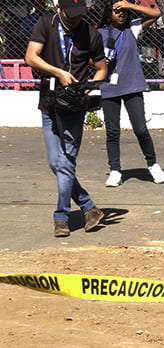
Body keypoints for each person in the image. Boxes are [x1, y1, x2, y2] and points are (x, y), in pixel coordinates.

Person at [25, 0, 107, 238]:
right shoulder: (45, 24)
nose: (75, 19)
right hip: (49, 103)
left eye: (79, 15)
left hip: (74, 107)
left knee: (67, 162)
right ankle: (89, 206)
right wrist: (58, 72)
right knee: (56, 163)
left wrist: (92, 86)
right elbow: (31, 57)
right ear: (59, 8)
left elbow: (102, 69)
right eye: (70, 15)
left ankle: (61, 217)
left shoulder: (90, 34)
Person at [98, 0, 164, 187]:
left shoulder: (132, 28)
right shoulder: (99, 33)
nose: (121, 14)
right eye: (117, 11)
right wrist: (100, 62)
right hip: (109, 87)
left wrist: (129, 5)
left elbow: (156, 14)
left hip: (132, 86)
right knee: (112, 131)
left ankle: (152, 164)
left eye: (124, 11)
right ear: (109, 13)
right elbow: (88, 57)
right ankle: (115, 170)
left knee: (140, 129)